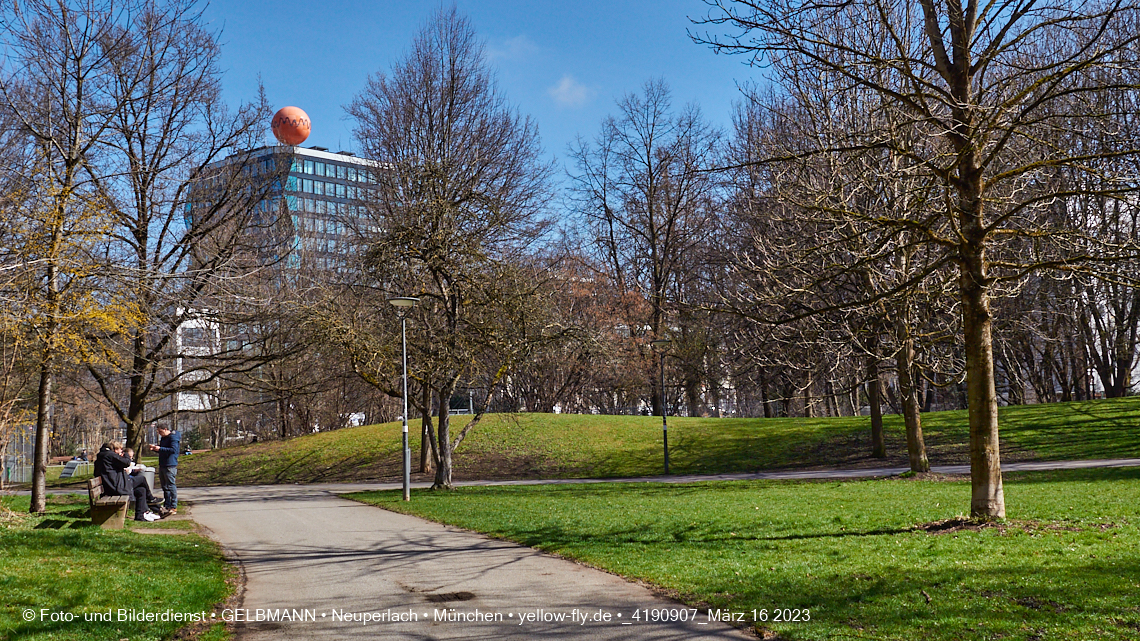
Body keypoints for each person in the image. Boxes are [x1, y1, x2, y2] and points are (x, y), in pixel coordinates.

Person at [94, 441, 161, 522]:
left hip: (113, 485)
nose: (121, 451)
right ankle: (152, 501)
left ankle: (141, 514)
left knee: (141, 490)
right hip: (117, 487)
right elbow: (126, 462)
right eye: (121, 449)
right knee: (142, 479)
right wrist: (126, 454)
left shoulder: (103, 456)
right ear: (115, 449)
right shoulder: (109, 455)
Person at [148, 425, 180, 515]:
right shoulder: (163, 438)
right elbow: (163, 451)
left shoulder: (173, 437)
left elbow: (173, 450)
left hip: (170, 464)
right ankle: (167, 504)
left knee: (170, 486)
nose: (159, 434)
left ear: (165, 429)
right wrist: (155, 449)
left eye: (160, 432)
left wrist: (160, 448)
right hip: (162, 464)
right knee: (165, 487)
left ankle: (173, 506)